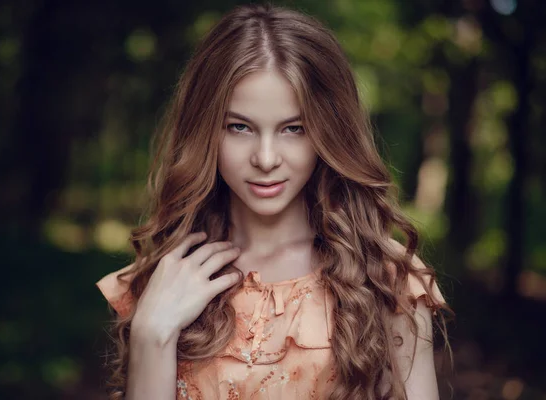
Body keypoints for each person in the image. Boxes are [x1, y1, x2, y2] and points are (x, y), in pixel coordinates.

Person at [96, 4, 453, 399]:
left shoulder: (387, 281)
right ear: (205, 131)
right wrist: (150, 335)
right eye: (239, 127)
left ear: (327, 133)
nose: (265, 159)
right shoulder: (168, 277)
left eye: (293, 129)